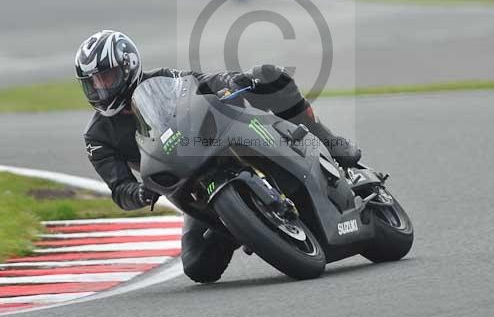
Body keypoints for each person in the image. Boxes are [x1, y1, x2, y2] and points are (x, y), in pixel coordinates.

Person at [76, 30, 361, 283]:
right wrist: (137, 193)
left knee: (270, 75)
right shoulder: (97, 136)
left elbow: (199, 82)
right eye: (93, 84)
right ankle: (243, 225)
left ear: (129, 66)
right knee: (199, 268)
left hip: (215, 144)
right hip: (185, 183)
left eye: (107, 78)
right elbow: (119, 187)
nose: (101, 89)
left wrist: (230, 81)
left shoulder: (161, 79)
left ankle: (328, 140)